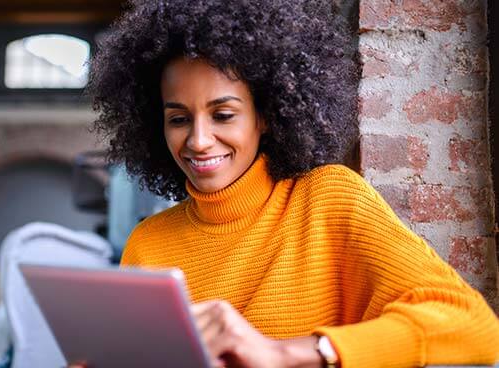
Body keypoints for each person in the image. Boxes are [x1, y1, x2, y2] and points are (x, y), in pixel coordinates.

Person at [86, 1, 499, 367]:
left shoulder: (328, 198)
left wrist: (290, 353)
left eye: (223, 115)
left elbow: (474, 326)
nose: (198, 140)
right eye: (178, 119)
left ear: (265, 115)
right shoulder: (148, 242)